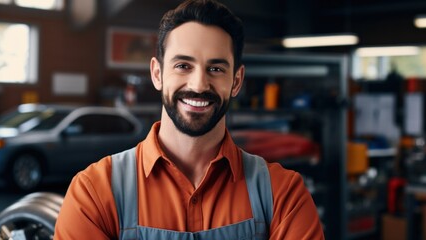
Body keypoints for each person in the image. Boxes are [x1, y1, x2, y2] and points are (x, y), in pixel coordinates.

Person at [54, 0, 325, 239]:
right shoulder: (94, 193)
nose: (199, 84)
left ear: (236, 81)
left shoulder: (283, 195)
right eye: (183, 66)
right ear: (157, 74)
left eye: (216, 69)